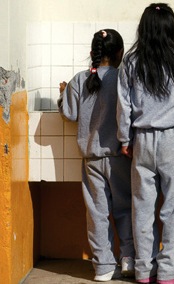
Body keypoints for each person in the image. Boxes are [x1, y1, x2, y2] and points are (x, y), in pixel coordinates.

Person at [116, 3, 174, 284]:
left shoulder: (130, 61)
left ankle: (145, 270)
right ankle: (170, 271)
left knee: (142, 208)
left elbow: (124, 105)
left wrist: (124, 139)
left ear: (143, 28)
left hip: (141, 139)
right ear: (171, 29)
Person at [58, 28, 134, 282]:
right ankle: (129, 259)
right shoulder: (123, 78)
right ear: (120, 53)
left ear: (92, 52)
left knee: (97, 213)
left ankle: (103, 267)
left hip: (91, 159)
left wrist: (62, 94)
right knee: (125, 209)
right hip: (120, 157)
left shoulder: (79, 79)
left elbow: (68, 113)